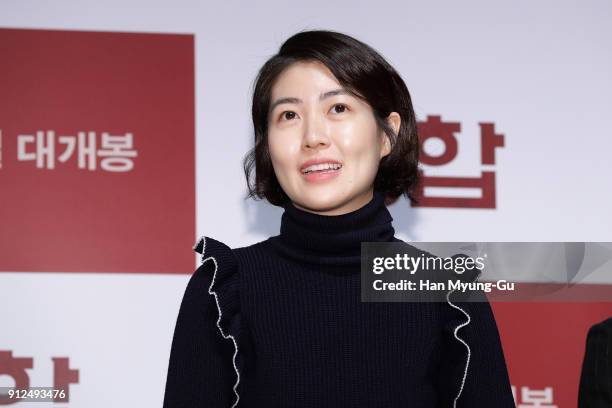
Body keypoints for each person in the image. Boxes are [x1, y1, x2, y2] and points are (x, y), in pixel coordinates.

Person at [162, 29, 514, 407]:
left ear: (387, 135)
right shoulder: (223, 290)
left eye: (339, 108)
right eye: (289, 115)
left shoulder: (447, 294)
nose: (313, 136)